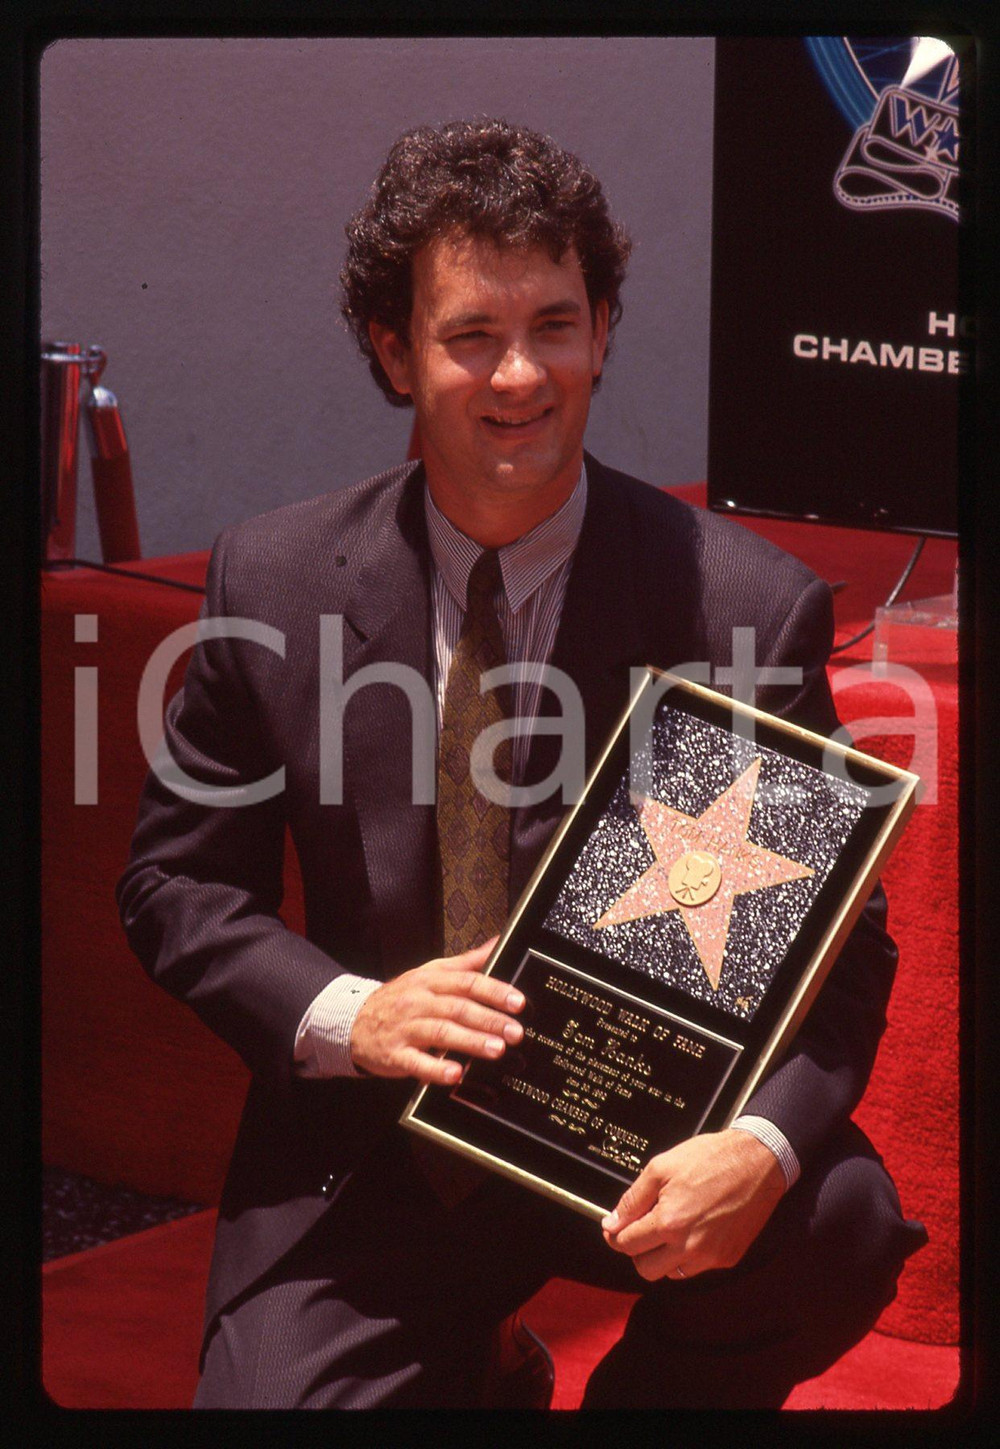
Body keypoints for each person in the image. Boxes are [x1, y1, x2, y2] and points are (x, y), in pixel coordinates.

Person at [117, 118, 926, 1409]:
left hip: (638, 1129)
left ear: (603, 329)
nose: (517, 376)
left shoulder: (742, 607)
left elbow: (848, 944)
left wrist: (764, 1148)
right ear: (393, 351)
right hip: (370, 1144)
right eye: (468, 335)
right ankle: (485, 1366)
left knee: (835, 1222)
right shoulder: (266, 581)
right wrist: (350, 1013)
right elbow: (177, 888)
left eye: (554, 324)